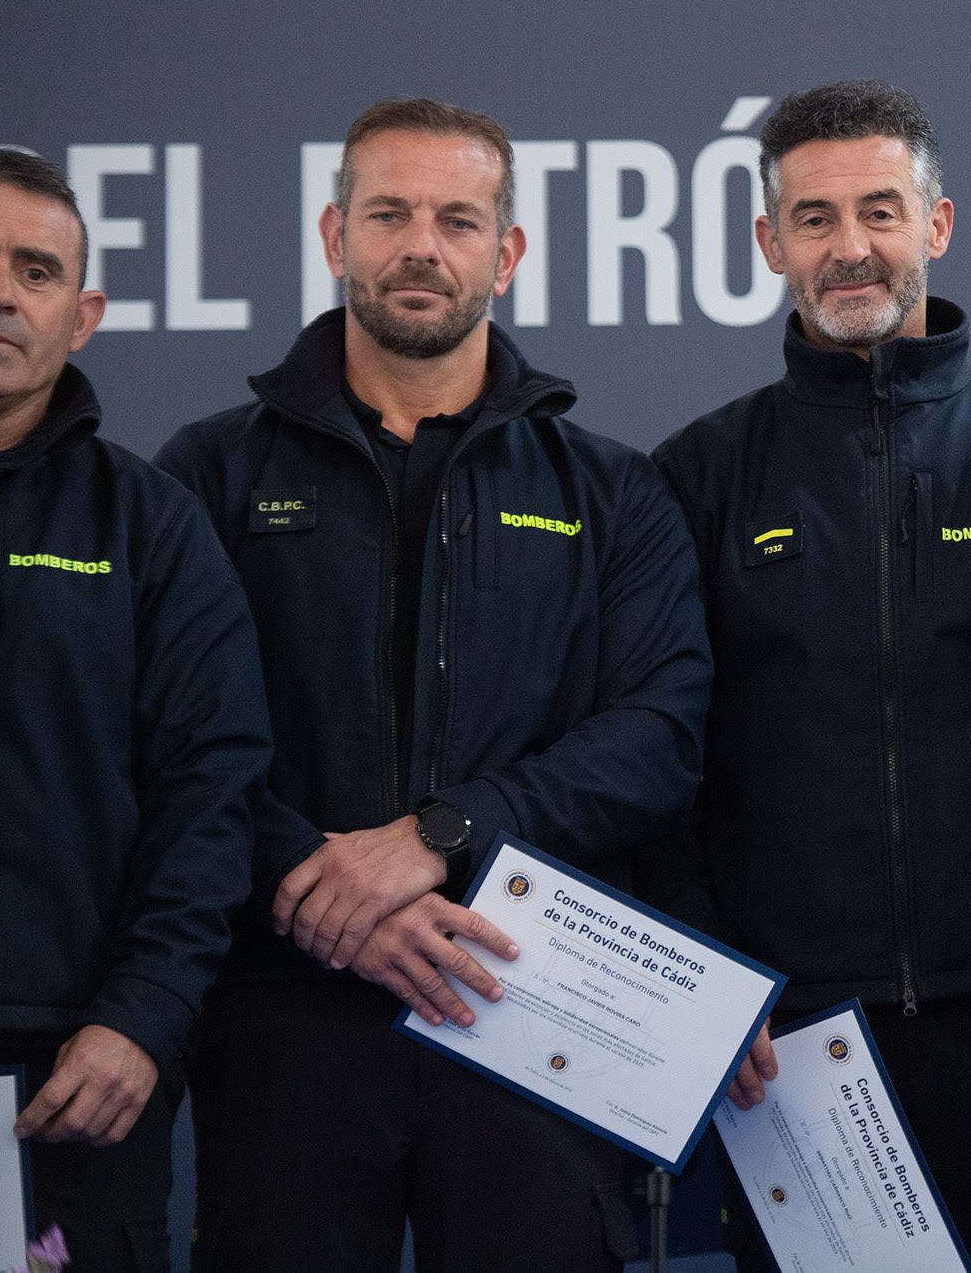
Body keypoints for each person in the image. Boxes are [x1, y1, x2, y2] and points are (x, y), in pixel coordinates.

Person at [157, 97, 715, 1272]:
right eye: (389, 214)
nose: (422, 244)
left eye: (457, 219)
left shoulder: (608, 490)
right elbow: (173, 739)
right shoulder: (206, 474)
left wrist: (435, 836)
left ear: (504, 254)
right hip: (283, 1000)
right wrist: (329, 896)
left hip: (526, 999)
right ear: (333, 237)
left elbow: (657, 738)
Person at [653, 79, 971, 1273]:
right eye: (813, 220)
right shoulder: (700, 476)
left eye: (880, 210)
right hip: (794, 1039)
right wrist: (719, 989)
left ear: (936, 225)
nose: (850, 247)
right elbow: (660, 768)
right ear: (770, 244)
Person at [0, 147, 269, 1267]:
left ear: (81, 316)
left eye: (35, 271)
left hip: (71, 1073)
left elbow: (210, 794)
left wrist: (140, 1017)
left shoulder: (150, 525)